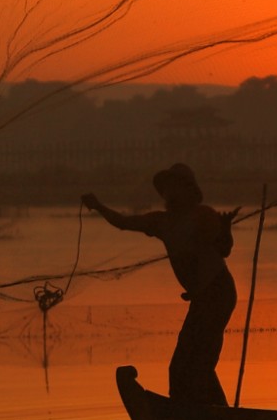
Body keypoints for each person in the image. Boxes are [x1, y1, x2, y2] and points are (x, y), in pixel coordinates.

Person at [83, 163, 237, 405]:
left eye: (174, 187)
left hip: (218, 292)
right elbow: (123, 222)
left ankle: (219, 417)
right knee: (179, 368)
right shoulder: (160, 222)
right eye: (166, 189)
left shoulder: (203, 215)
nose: (169, 193)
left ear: (189, 191)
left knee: (201, 365)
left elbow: (224, 249)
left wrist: (226, 229)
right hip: (201, 298)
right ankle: (187, 412)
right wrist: (99, 206)